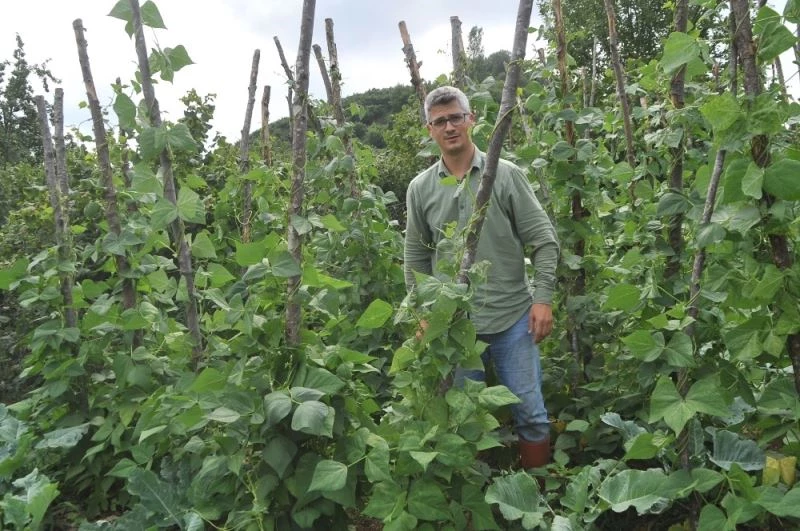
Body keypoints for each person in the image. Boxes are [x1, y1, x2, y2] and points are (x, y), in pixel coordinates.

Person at [403, 85, 560, 471]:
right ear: (430, 130)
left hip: (512, 319)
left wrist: (542, 299)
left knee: (531, 414)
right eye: (440, 121)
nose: (450, 126)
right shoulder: (421, 188)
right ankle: (475, 504)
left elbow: (544, 242)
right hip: (455, 327)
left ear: (471, 120)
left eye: (457, 117)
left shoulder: (505, 176)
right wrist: (424, 314)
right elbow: (415, 257)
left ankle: (535, 502)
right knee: (463, 422)